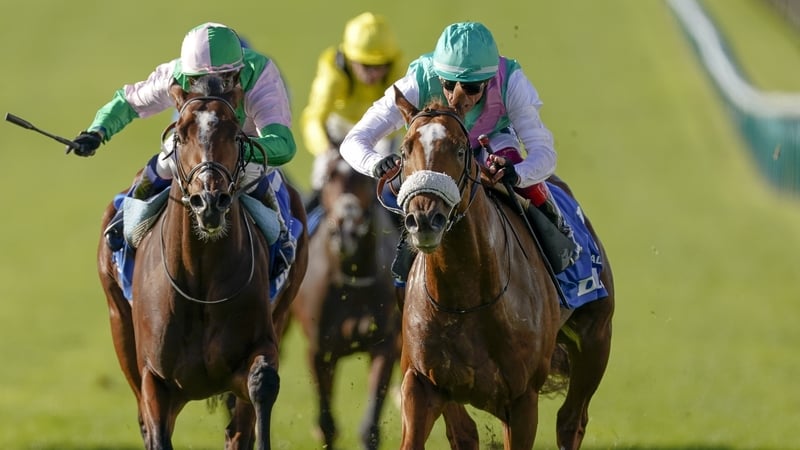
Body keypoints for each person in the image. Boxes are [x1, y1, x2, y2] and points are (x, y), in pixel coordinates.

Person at [339, 21, 578, 286]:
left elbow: (544, 153)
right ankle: (401, 272)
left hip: (491, 143)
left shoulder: (511, 82)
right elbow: (354, 140)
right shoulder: (417, 82)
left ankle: (560, 241)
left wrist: (517, 174)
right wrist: (375, 163)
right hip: (438, 151)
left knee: (526, 182)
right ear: (437, 75)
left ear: (490, 81)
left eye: (471, 89)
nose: (455, 98)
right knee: (396, 192)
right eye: (448, 84)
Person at [69, 22, 297, 272]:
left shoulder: (260, 74)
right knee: (167, 158)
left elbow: (283, 145)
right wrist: (97, 131)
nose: (212, 90)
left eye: (224, 81)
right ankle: (130, 209)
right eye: (199, 82)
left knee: (254, 171)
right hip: (193, 138)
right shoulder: (174, 74)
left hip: (244, 138)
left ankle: (281, 236)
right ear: (187, 76)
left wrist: (234, 150)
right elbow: (129, 102)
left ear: (238, 72)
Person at [300, 12, 404, 213]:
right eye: (366, 66)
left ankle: (401, 227)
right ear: (350, 59)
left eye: (381, 66)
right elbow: (313, 118)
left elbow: (406, 115)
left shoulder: (398, 70)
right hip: (339, 129)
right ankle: (304, 227)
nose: (373, 74)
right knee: (322, 177)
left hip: (381, 129)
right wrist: (325, 149)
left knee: (392, 179)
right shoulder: (333, 73)